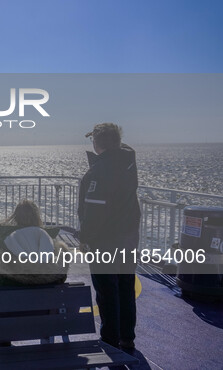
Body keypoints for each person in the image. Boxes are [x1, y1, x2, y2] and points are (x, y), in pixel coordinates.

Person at [78, 123, 141, 352]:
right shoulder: (127, 164)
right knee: (125, 288)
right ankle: (127, 338)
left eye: (93, 139)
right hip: (128, 239)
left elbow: (94, 212)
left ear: (97, 142)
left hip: (105, 242)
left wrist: (85, 238)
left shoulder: (100, 171)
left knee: (106, 292)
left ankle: (110, 340)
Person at [0, 199, 69, 287]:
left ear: (16, 217)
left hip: (10, 293)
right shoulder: (50, 241)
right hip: (49, 297)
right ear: (37, 217)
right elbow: (62, 277)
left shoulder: (6, 240)